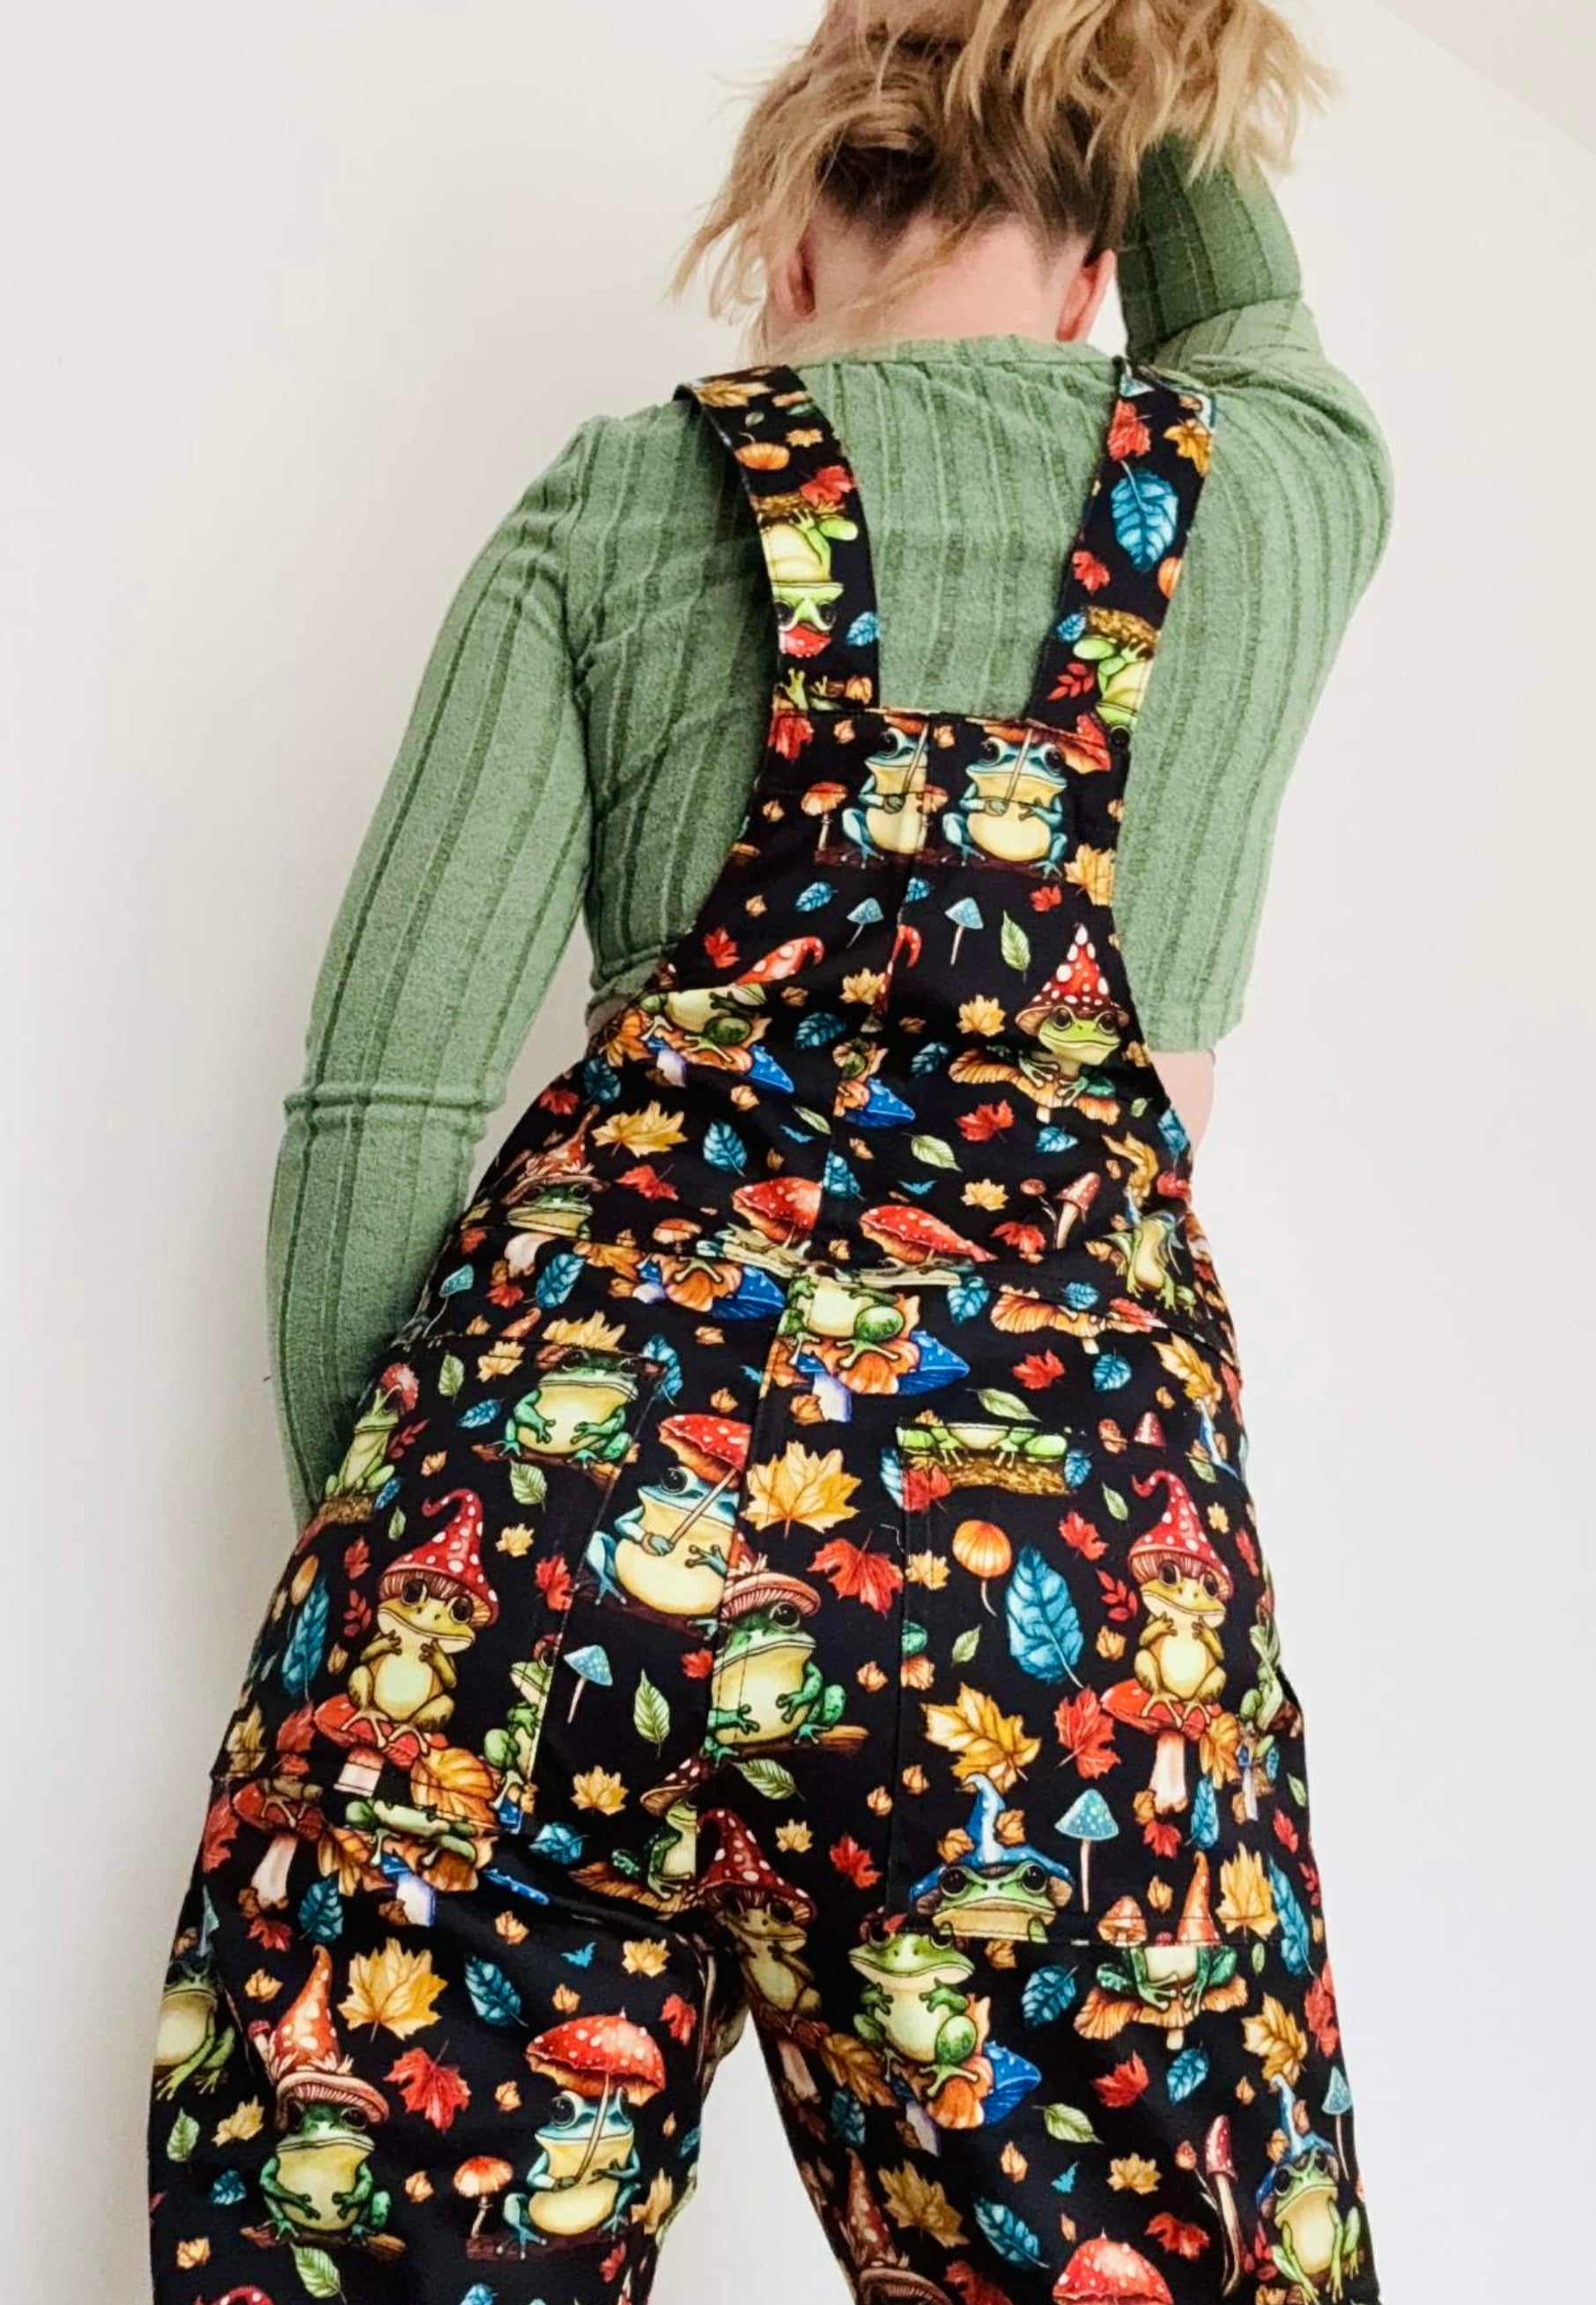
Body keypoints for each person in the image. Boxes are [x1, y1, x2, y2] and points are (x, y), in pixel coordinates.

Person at [147, 4, 1393, 2301]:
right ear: (1098, 254)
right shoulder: (1270, 489)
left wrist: (432, 1581)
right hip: (1039, 1643)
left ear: (789, 251)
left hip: (543, 1536)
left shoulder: (622, 496)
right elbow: (1253, 301)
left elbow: (384, 1105)